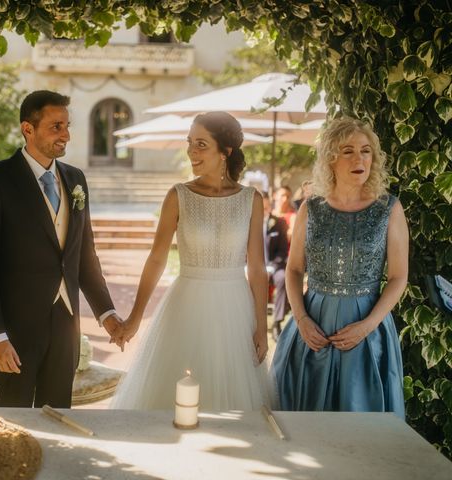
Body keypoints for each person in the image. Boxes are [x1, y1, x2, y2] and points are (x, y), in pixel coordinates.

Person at [0, 90, 123, 408]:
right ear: (28, 129)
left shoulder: (75, 178)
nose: (65, 134)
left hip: (66, 325)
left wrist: (106, 313)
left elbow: (84, 254)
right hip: (15, 331)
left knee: (60, 417)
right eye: (56, 126)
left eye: (67, 126)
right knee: (16, 422)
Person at [111, 112, 274, 411]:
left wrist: (261, 328)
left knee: (235, 400)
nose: (191, 152)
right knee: (170, 403)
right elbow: (157, 259)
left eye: (201, 144)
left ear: (225, 151)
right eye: (190, 143)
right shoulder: (178, 195)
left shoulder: (251, 199)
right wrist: (135, 316)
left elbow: (257, 268)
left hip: (235, 309)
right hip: (186, 305)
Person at [272, 117, 408, 417]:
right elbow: (294, 270)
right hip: (312, 326)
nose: (359, 158)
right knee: (304, 420)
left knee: (362, 426)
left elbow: (399, 278)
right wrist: (302, 319)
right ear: (331, 159)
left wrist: (368, 327)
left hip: (366, 328)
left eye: (366, 150)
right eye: (348, 151)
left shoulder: (389, 208)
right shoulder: (311, 209)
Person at [262, 193, 289, 341]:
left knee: (283, 279)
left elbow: (283, 250)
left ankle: (277, 322)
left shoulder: (279, 223)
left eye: (266, 206)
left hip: (274, 266)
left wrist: (271, 267)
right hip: (254, 268)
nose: (264, 210)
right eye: (261, 207)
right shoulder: (248, 222)